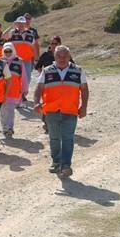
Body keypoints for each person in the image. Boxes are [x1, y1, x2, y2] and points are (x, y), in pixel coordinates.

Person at [33, 45, 89, 178]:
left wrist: (84, 107)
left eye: (65, 56)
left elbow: (85, 90)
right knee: (54, 138)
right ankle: (56, 162)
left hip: (70, 110)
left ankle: (66, 165)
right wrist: (36, 103)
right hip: (51, 110)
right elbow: (38, 89)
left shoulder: (78, 71)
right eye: (59, 56)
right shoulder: (47, 71)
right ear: (54, 57)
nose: (62, 58)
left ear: (69, 57)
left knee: (68, 139)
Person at [5, 16, 38, 101]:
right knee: (15, 78)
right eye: (19, 24)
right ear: (17, 24)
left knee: (27, 78)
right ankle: (16, 94)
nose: (21, 25)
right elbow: (3, 36)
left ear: (25, 24)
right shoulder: (12, 32)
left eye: (22, 24)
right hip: (15, 60)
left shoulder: (30, 33)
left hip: (27, 60)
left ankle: (22, 94)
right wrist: (11, 26)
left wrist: (35, 59)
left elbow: (33, 47)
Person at [0, 43, 24, 138]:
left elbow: (23, 77)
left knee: (10, 110)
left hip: (14, 89)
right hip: (1, 90)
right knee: (2, 110)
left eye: (10, 51)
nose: (8, 53)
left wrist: (24, 89)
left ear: (13, 50)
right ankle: (4, 128)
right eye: (6, 51)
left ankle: (10, 128)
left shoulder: (19, 61)